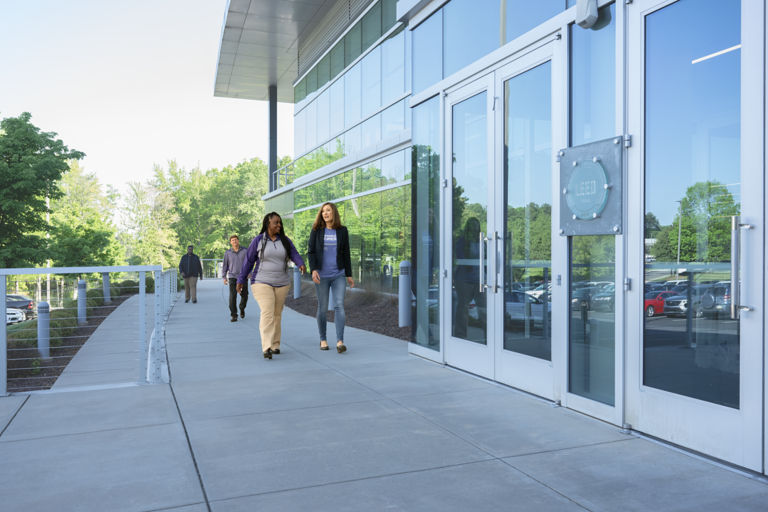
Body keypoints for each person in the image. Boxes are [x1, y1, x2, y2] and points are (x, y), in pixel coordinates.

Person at [237, 212, 305, 359]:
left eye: (280, 223)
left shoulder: (285, 241)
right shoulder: (258, 240)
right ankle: (266, 346)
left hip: (282, 282)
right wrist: (241, 279)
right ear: (268, 224)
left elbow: (294, 254)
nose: (279, 225)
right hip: (261, 281)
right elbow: (248, 261)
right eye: (276, 223)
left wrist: (300, 263)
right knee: (267, 311)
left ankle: (275, 345)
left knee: (277, 314)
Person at [307, 202, 354, 353]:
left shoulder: (342, 231)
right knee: (322, 308)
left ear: (334, 213)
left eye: (328, 211)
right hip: (321, 275)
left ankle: (340, 341)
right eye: (323, 211)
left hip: (338, 274)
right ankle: (323, 339)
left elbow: (346, 252)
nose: (325, 213)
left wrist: (349, 274)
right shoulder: (316, 231)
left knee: (339, 305)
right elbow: (311, 251)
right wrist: (313, 269)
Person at [222, 234, 249, 322]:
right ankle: (234, 315)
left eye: (236, 240)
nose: (234, 241)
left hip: (243, 276)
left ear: (238, 241)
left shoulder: (245, 251)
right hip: (232, 277)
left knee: (244, 295)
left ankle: (242, 307)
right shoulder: (228, 253)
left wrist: (250, 273)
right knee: (232, 297)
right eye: (232, 240)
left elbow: (249, 262)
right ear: (230, 242)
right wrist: (224, 277)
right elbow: (225, 265)